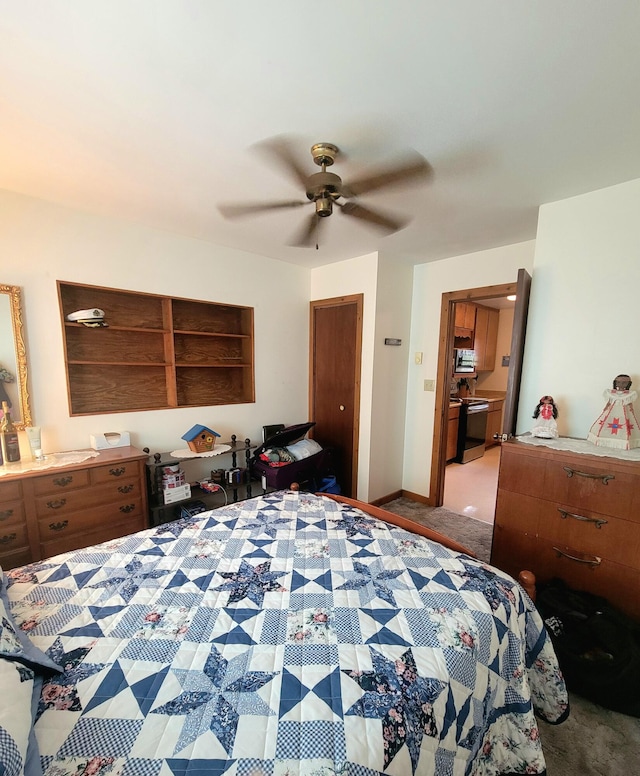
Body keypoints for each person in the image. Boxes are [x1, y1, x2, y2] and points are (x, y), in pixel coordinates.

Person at [587, 374, 640, 449]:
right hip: (611, 412)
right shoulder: (611, 393)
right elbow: (609, 402)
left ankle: (622, 440)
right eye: (618, 382)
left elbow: (629, 403)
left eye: (624, 383)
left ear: (628, 384)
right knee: (607, 423)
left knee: (625, 426)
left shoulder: (629, 394)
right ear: (615, 383)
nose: (621, 384)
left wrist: (631, 409)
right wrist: (606, 407)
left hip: (624, 413)